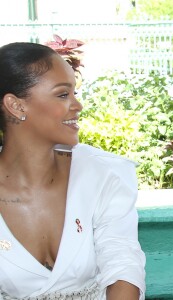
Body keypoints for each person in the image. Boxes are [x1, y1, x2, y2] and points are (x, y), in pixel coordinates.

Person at [0, 42, 145, 299]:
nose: (77, 106)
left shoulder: (102, 174)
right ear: (16, 105)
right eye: (63, 94)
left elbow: (123, 266)